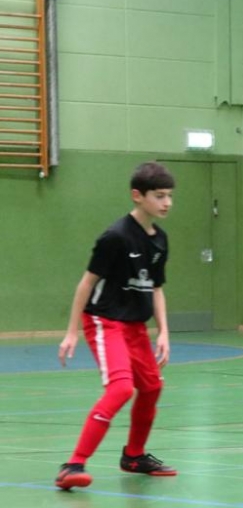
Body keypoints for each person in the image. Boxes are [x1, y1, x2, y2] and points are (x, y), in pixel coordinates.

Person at [55, 162, 178, 490]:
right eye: (159, 196)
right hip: (104, 321)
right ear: (138, 196)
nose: (167, 202)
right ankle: (73, 465)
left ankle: (134, 456)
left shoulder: (160, 239)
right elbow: (86, 283)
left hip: (135, 326)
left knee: (151, 387)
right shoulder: (116, 237)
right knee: (122, 388)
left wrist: (164, 332)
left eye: (169, 196)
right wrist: (71, 332)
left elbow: (156, 288)